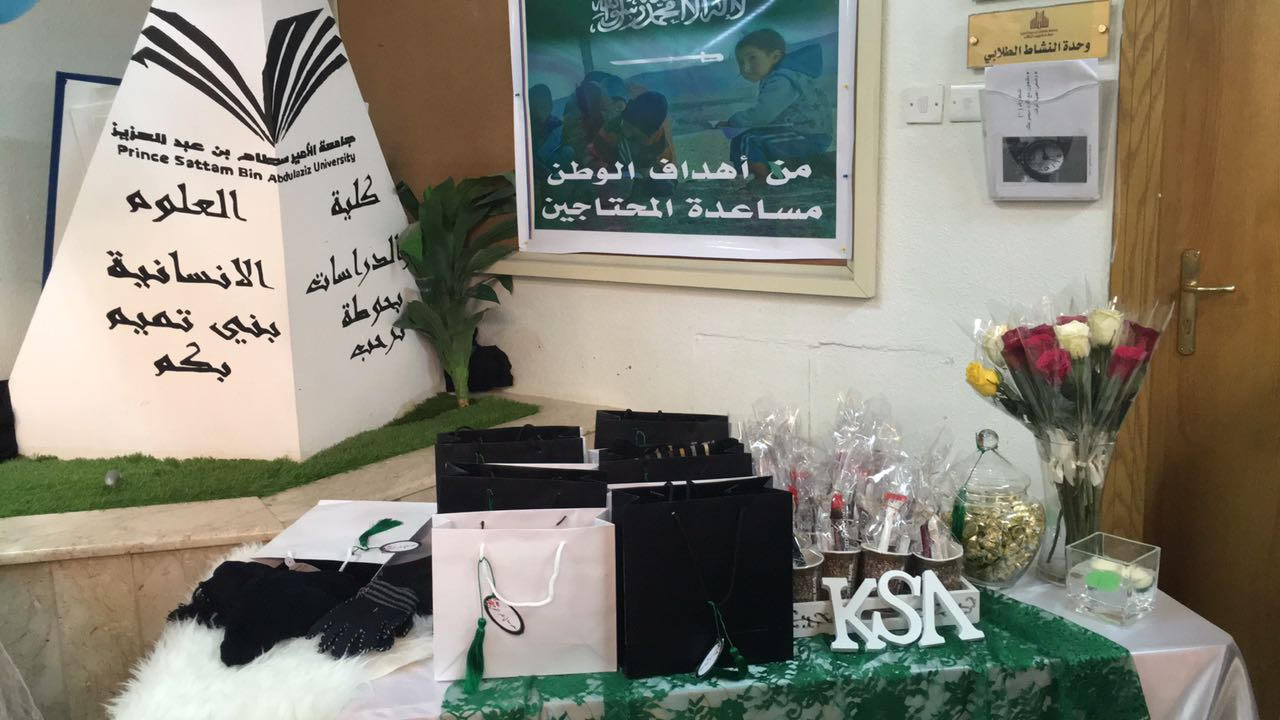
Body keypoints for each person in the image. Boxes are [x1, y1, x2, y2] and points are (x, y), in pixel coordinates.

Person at [717, 29, 833, 189]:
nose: (745, 67)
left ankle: (762, 178)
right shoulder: (780, 77)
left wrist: (734, 121)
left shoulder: (782, 80)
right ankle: (744, 175)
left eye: (752, 58)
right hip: (796, 132)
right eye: (741, 62)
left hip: (808, 137)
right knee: (741, 139)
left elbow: (763, 114)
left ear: (775, 57)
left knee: (750, 140)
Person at [591, 90, 678, 200]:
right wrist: (606, 170)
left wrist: (650, 173)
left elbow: (669, 171)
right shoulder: (610, 130)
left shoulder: (657, 139)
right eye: (626, 126)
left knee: (664, 187)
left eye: (634, 133)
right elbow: (592, 158)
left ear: (648, 134)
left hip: (643, 182)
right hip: (613, 181)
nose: (627, 134)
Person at [528, 83, 566, 179]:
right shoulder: (525, 127)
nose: (539, 111)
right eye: (535, 107)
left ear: (550, 105)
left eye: (543, 106)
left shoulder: (558, 126)